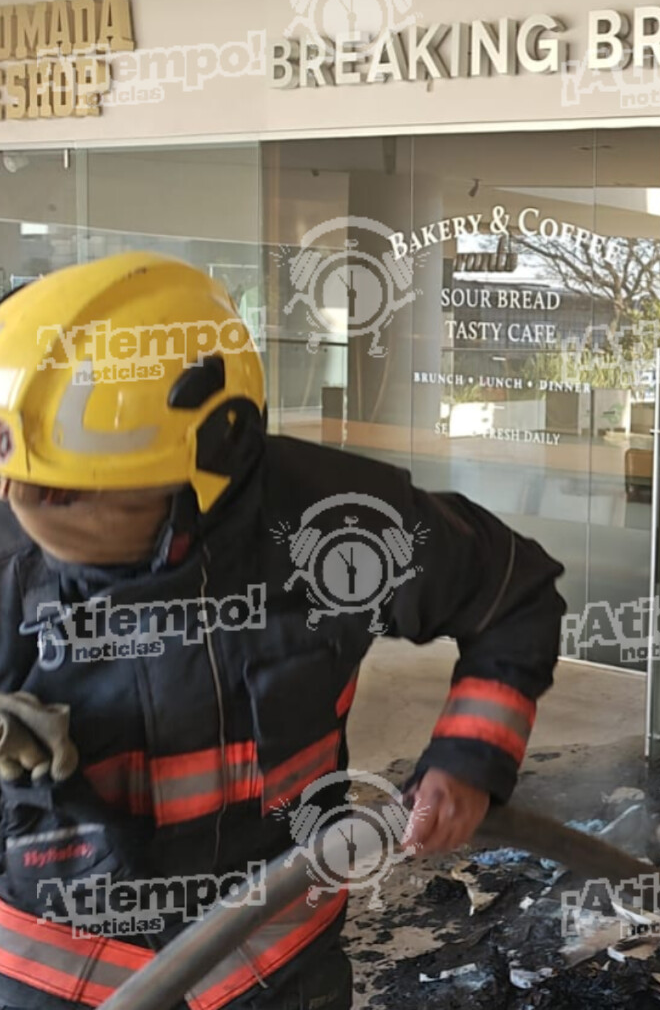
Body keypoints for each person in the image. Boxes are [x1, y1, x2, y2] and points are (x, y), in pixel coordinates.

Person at [0, 253, 564, 1010]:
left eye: (93, 499)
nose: (39, 513)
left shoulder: (336, 523)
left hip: (273, 959)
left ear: (219, 447)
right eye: (31, 493)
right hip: (54, 969)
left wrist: (468, 757)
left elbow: (511, 594)